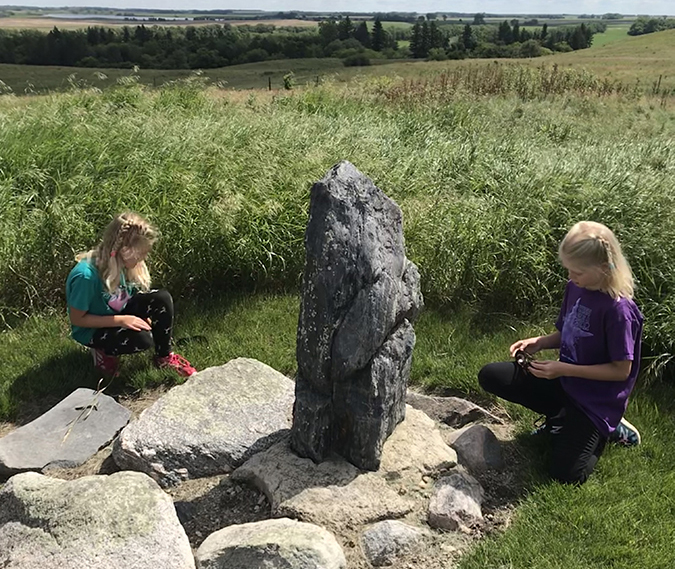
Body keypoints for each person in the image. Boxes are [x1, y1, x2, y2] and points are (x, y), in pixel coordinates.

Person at [478, 221, 643, 484]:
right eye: (567, 269)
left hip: (595, 401)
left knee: (567, 475)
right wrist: (540, 342)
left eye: (576, 271)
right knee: (490, 375)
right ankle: (560, 416)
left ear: (603, 268)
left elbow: (621, 370)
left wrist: (563, 369)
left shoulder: (619, 311)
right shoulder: (576, 288)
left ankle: (606, 430)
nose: (570, 277)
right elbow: (570, 332)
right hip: (565, 382)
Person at [66, 211, 197, 378]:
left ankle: (164, 356)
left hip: (116, 310)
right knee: (143, 340)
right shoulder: (85, 276)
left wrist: (145, 316)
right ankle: (104, 352)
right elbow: (78, 319)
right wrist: (122, 320)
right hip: (93, 328)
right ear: (126, 251)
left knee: (161, 299)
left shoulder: (121, 263)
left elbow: (130, 295)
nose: (145, 257)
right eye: (142, 253)